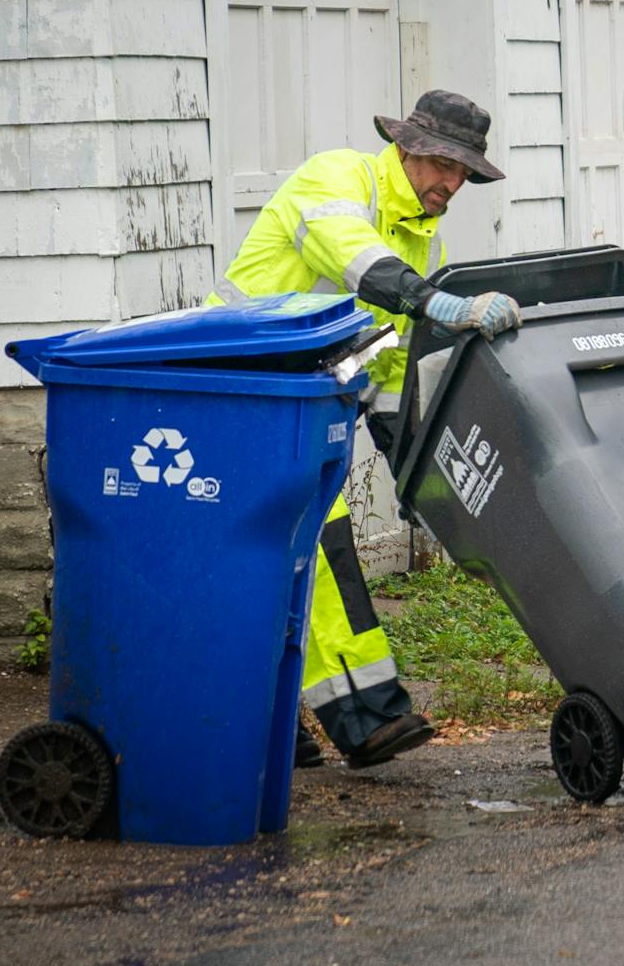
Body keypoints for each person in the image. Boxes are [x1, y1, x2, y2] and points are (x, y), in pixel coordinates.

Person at [210, 90, 522, 768]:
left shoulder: (415, 224)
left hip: (296, 397)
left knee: (270, 566)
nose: (454, 183)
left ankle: (262, 724)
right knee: (320, 554)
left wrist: (410, 454)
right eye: (444, 165)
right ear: (407, 148)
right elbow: (363, 267)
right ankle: (365, 716)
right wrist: (446, 303)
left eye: (466, 172)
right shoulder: (337, 180)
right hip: (239, 383)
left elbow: (388, 350)